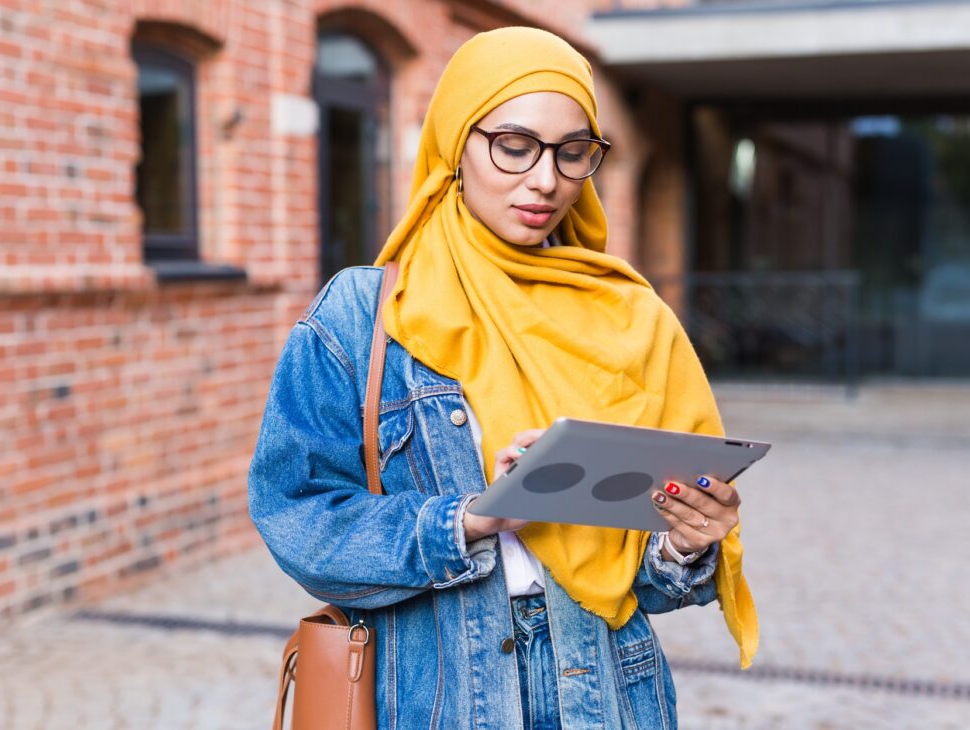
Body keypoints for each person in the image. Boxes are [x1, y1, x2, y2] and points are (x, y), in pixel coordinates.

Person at [248, 26, 757, 729]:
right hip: (437, 696)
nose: (546, 180)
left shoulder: (632, 316)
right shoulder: (364, 315)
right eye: (515, 146)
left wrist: (687, 541)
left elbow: (648, 583)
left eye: (573, 152)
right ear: (458, 142)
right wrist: (469, 519)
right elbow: (296, 518)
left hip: (606, 695)